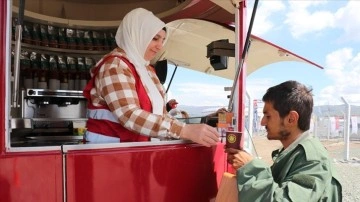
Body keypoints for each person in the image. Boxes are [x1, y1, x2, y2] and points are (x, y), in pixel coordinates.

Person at [83, 8, 219, 146]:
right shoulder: (115, 66)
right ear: (136, 35)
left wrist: (192, 131)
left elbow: (162, 115)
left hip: (137, 153)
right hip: (108, 153)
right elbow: (129, 115)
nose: (159, 46)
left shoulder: (147, 70)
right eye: (154, 38)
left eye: (163, 40)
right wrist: (184, 131)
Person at [225, 80, 342, 201]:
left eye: (268, 116)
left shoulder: (313, 161)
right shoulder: (294, 153)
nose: (262, 122)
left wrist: (250, 168)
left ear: (291, 119)